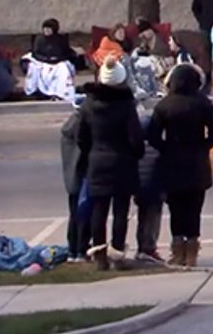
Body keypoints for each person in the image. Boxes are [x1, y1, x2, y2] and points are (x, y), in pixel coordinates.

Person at [148, 63, 213, 268]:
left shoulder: (164, 105)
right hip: (197, 161)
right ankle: (192, 250)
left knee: (176, 208)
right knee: (194, 208)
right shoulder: (203, 103)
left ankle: (177, 249)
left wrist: (165, 147)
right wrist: (204, 146)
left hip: (172, 160)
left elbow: (153, 134)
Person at [78, 56, 145, 270]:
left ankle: (99, 256)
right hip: (123, 161)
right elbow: (135, 136)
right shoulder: (126, 105)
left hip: (97, 160)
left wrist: (91, 152)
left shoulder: (89, 105)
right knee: (120, 210)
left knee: (99, 209)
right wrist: (137, 153)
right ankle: (117, 254)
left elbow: (82, 137)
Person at [60, 105, 90, 262]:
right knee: (84, 213)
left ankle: (73, 249)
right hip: (82, 177)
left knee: (75, 213)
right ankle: (80, 249)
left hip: (72, 180)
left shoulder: (67, 132)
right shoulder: (80, 129)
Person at [134, 111, 164, 263]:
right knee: (152, 219)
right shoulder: (158, 148)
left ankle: (142, 246)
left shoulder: (135, 148)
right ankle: (148, 247)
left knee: (142, 217)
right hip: (154, 188)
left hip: (139, 187)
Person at [24, 18, 77, 101]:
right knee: (33, 67)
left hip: (57, 62)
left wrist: (56, 59)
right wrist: (45, 59)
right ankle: (34, 92)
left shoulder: (60, 39)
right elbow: (35, 53)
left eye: (49, 29)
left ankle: (61, 92)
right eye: (45, 28)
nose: (46, 31)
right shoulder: (39, 39)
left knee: (63, 69)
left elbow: (66, 52)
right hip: (42, 61)